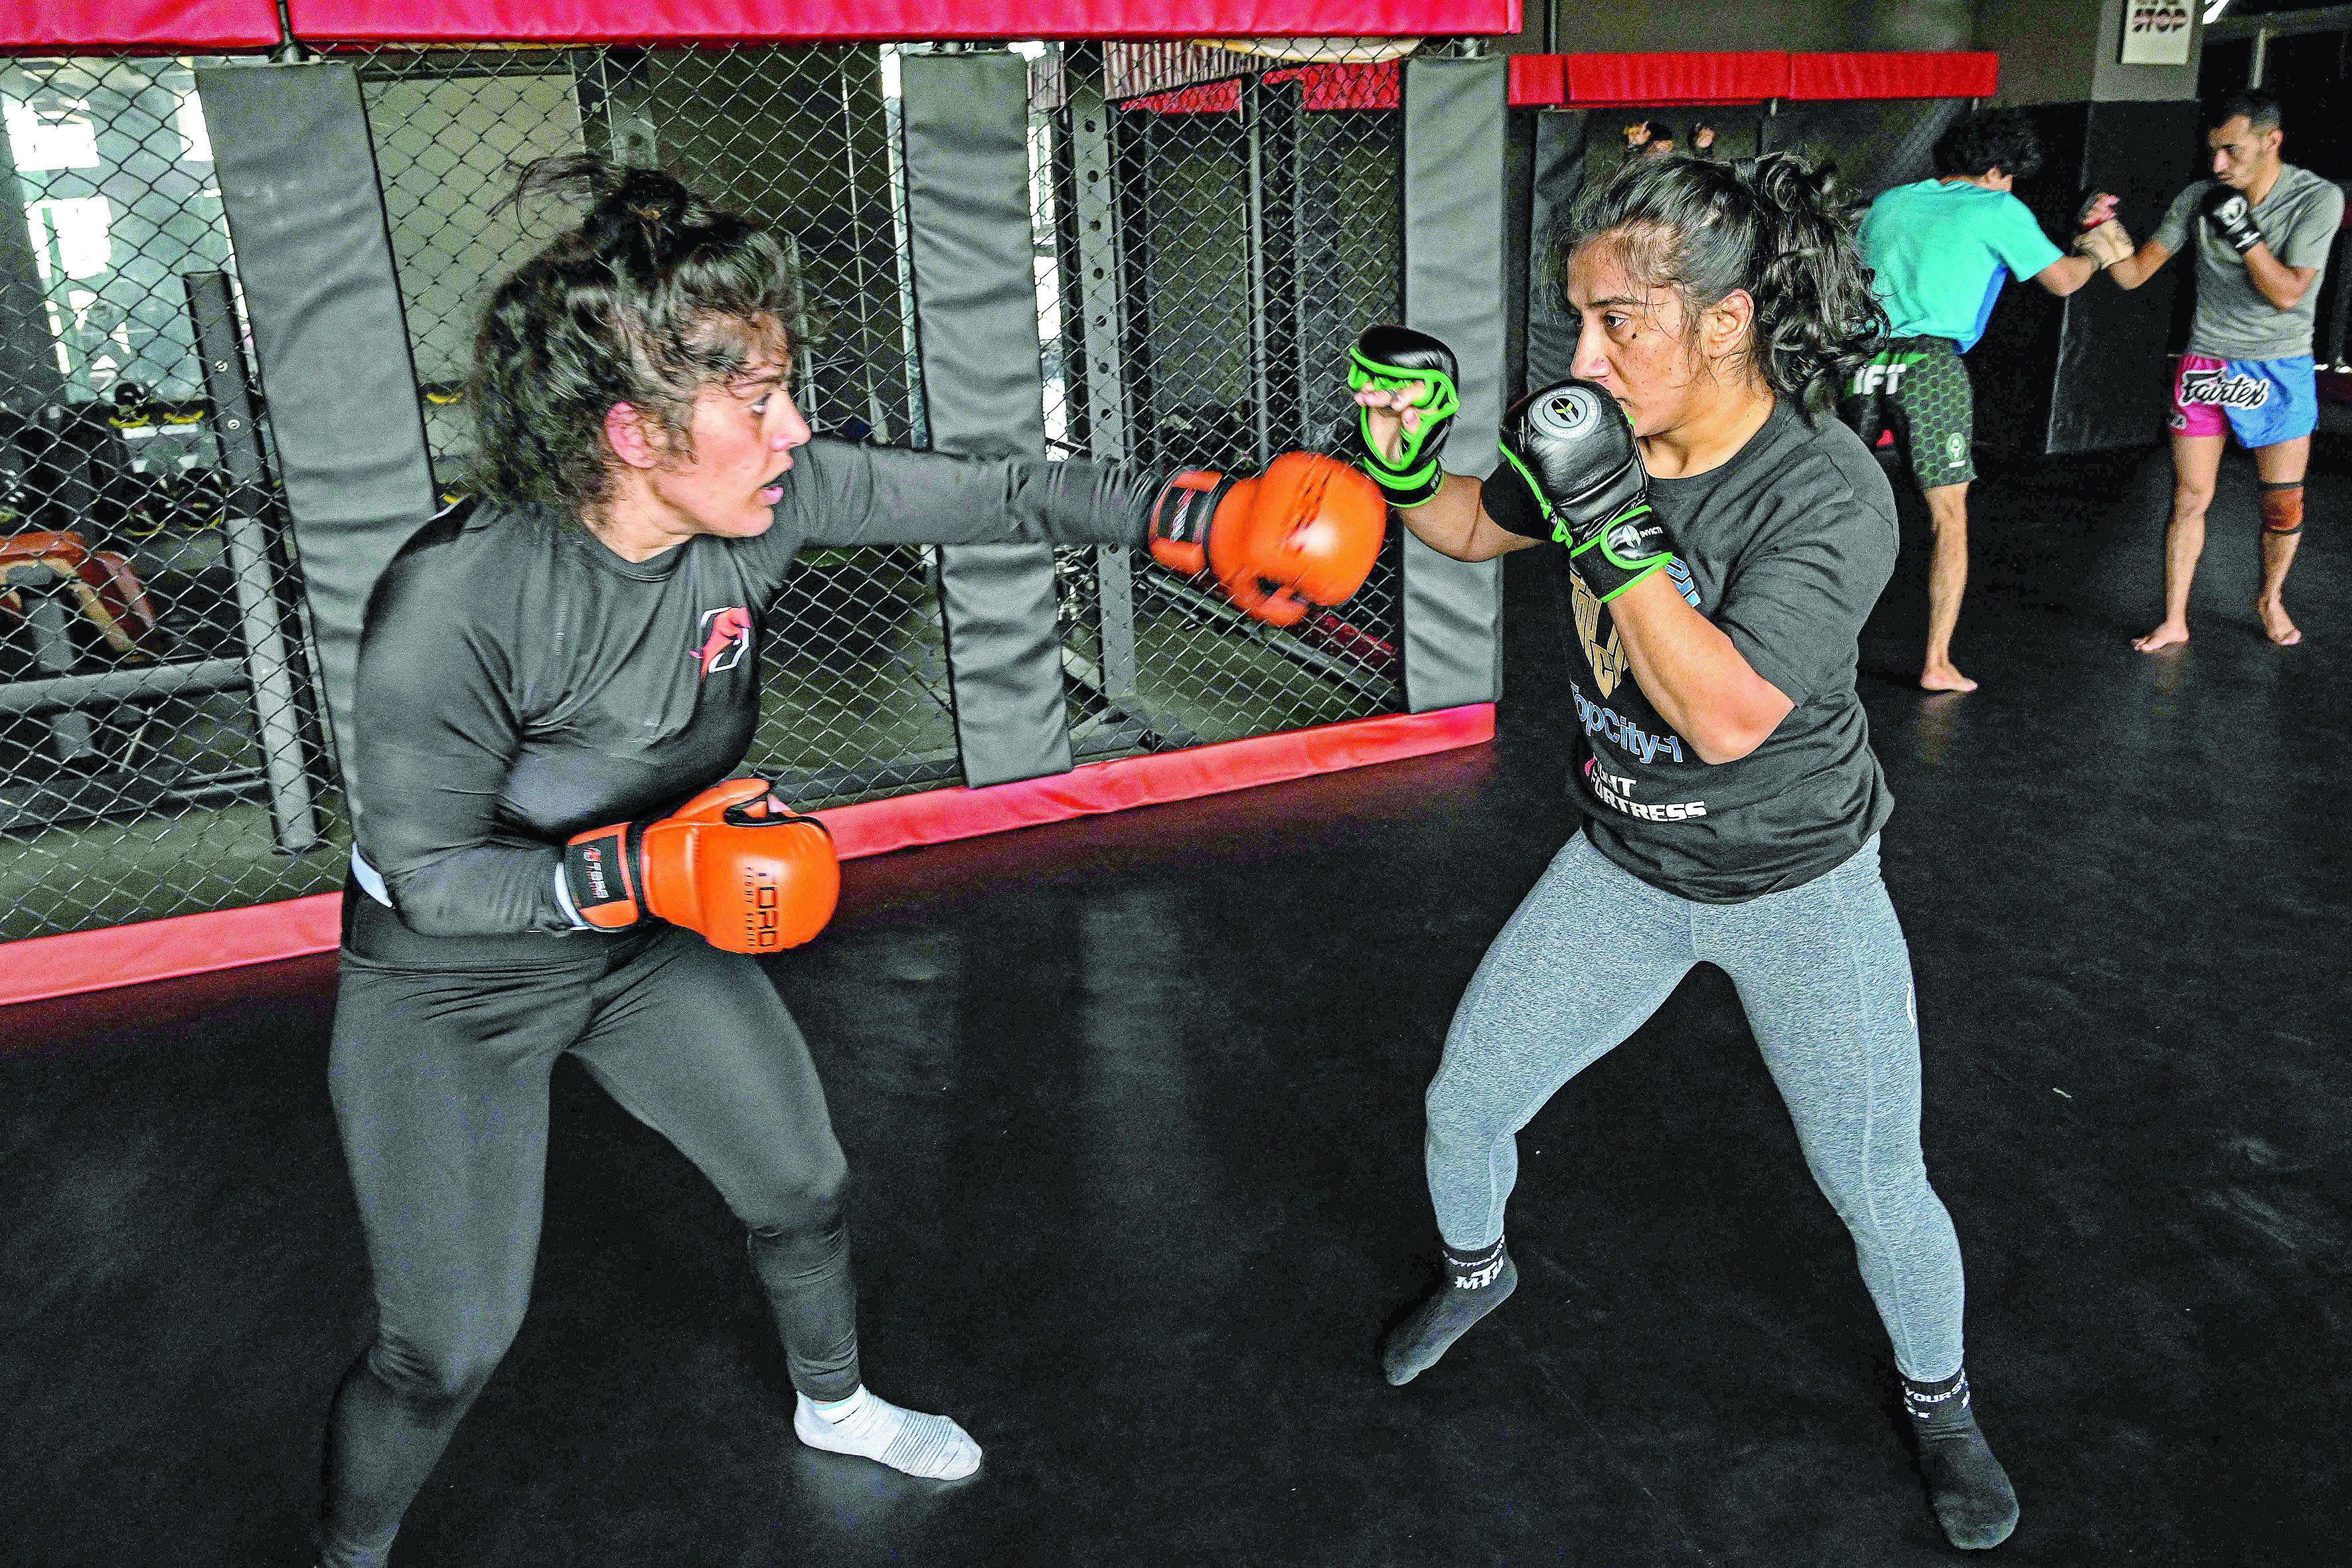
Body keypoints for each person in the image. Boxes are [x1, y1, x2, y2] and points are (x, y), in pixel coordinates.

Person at [313, 156, 1381, 1568]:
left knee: (802, 1185)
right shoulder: (460, 597)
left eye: (783, 387)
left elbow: (996, 492)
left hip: (641, 937)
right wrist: (649, 871)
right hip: (452, 982)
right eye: (753, 400)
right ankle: (345, 1551)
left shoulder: (771, 502)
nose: (791, 427)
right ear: (631, 430)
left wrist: (1190, 519)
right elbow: (435, 875)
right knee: (441, 1346)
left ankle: (835, 1403)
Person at [1346, 152, 2019, 1551]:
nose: (1584, 357)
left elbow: (1721, 718)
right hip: (1622, 868)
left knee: (1875, 1180)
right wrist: (1403, 459)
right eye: (1576, 319)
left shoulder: (1824, 492)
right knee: (1464, 1101)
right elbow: (1472, 524)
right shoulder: (1592, 428)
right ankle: (1477, 1271)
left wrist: (1609, 521)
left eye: (1620, 323)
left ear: (1724, 323)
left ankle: (1940, 1399)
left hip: (1797, 886)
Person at [1843, 109, 2116, 692]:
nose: (2011, 186)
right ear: (1994, 170)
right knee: (1948, 521)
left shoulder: (1891, 201)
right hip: (1929, 366)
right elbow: (2064, 280)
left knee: (1835, 511)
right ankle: (1936, 662)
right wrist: (2096, 252)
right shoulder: (1997, 208)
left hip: (1858, 363)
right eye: (2009, 176)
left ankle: (1812, 649)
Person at [2090, 90, 2343, 649]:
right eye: (2213, 152)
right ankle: (2174, 618)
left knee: (2282, 503)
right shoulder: (2198, 197)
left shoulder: (2314, 199)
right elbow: (2133, 274)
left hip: (2279, 365)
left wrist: (2244, 233)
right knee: (2188, 496)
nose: (2217, 165)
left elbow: (2286, 293)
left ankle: (2268, 598)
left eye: (2231, 151)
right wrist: (2101, 238)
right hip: (2207, 362)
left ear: (2270, 141)